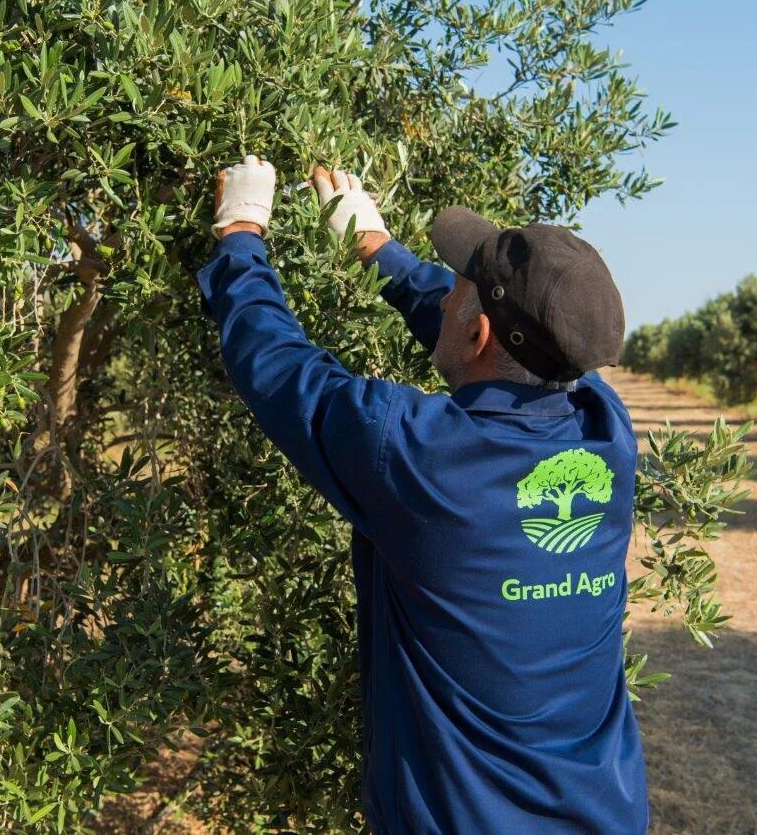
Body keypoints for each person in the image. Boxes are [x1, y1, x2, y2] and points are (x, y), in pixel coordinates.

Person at [196, 154, 647, 833]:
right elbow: (496, 342)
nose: (444, 294)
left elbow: (278, 365)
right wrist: (375, 247)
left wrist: (241, 233)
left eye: (458, 288)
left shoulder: (417, 455)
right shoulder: (605, 431)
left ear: (479, 330)